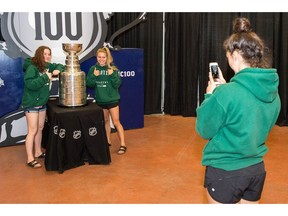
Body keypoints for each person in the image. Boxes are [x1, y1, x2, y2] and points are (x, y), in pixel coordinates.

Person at [196, 17, 281, 204]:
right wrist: (226, 90)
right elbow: (252, 119)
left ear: (235, 55)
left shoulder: (227, 94)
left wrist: (211, 96)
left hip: (225, 171)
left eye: (227, 56)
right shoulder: (272, 93)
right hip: (256, 170)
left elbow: (204, 129)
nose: (227, 60)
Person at [22, 46, 64, 168]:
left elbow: (59, 66)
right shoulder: (32, 67)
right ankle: (30, 158)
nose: (47, 56)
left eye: (49, 54)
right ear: (39, 55)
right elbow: (30, 84)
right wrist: (45, 77)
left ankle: (38, 151)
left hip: (42, 104)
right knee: (32, 131)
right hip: (31, 104)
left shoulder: (47, 66)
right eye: (44, 54)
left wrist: (57, 70)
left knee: (40, 128)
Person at [86, 47, 127, 155]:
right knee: (105, 121)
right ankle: (108, 141)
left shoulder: (112, 68)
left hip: (112, 99)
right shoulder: (93, 69)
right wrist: (94, 77)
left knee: (116, 122)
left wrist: (112, 75)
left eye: (103, 57)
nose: (101, 59)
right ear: (97, 57)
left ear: (107, 58)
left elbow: (118, 84)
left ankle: (123, 144)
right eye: (99, 57)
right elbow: (89, 84)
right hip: (101, 100)